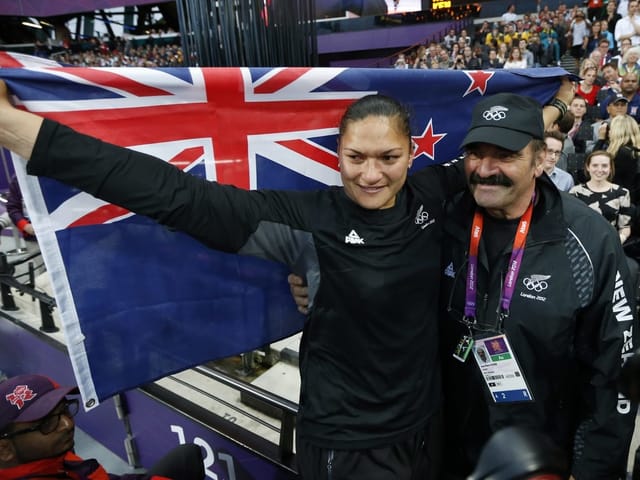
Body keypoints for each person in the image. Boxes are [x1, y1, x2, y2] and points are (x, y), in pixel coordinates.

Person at [0, 77, 573, 479]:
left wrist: (556, 104)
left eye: (389, 158)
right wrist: (12, 127)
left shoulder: (430, 193)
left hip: (430, 427)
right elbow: (166, 192)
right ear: (337, 155)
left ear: (409, 155)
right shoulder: (306, 221)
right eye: (356, 158)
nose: (372, 175)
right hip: (349, 448)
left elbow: (497, 153)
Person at [439, 92, 637, 480]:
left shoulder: (588, 239)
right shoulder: (445, 219)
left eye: (505, 155)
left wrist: (591, 469)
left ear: (539, 160)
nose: (485, 168)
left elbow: (613, 373)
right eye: (476, 153)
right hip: (449, 452)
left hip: (542, 461)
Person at [0, 374, 204, 479]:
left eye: (65, 410)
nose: (67, 424)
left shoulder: (52, 458)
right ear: (5, 450)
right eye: (46, 423)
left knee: (187, 457)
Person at [569, 150, 632, 244]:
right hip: (583, 245)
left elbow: (625, 227)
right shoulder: (575, 192)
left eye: (604, 166)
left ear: (610, 168)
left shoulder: (622, 193)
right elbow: (571, 223)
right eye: (595, 165)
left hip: (610, 245)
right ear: (588, 167)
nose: (599, 170)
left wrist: (618, 241)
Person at [6, 176, 35, 242]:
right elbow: (13, 208)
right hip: (32, 237)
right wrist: (25, 226)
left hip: (60, 232)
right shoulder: (18, 178)